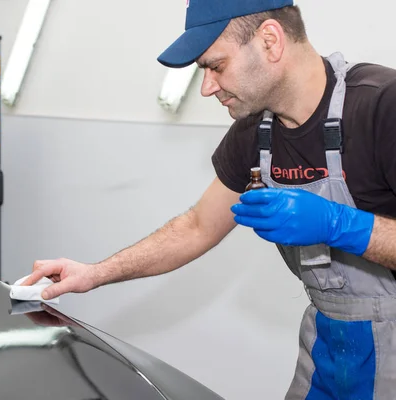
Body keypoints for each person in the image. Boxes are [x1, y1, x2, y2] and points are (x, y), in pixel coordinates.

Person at [22, 0, 396, 398]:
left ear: (270, 41)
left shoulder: (381, 106)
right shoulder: (257, 133)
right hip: (328, 345)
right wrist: (93, 274)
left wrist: (340, 225)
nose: (207, 87)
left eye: (215, 66)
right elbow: (198, 226)